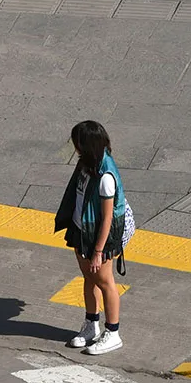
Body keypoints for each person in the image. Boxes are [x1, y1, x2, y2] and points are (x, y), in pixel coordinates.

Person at [54, 121, 129, 356]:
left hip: (99, 236)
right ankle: (91, 324)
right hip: (81, 229)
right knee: (88, 277)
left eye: (77, 142)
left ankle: (113, 332)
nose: (74, 147)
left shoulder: (106, 176)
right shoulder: (87, 165)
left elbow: (107, 219)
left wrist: (98, 251)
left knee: (105, 281)